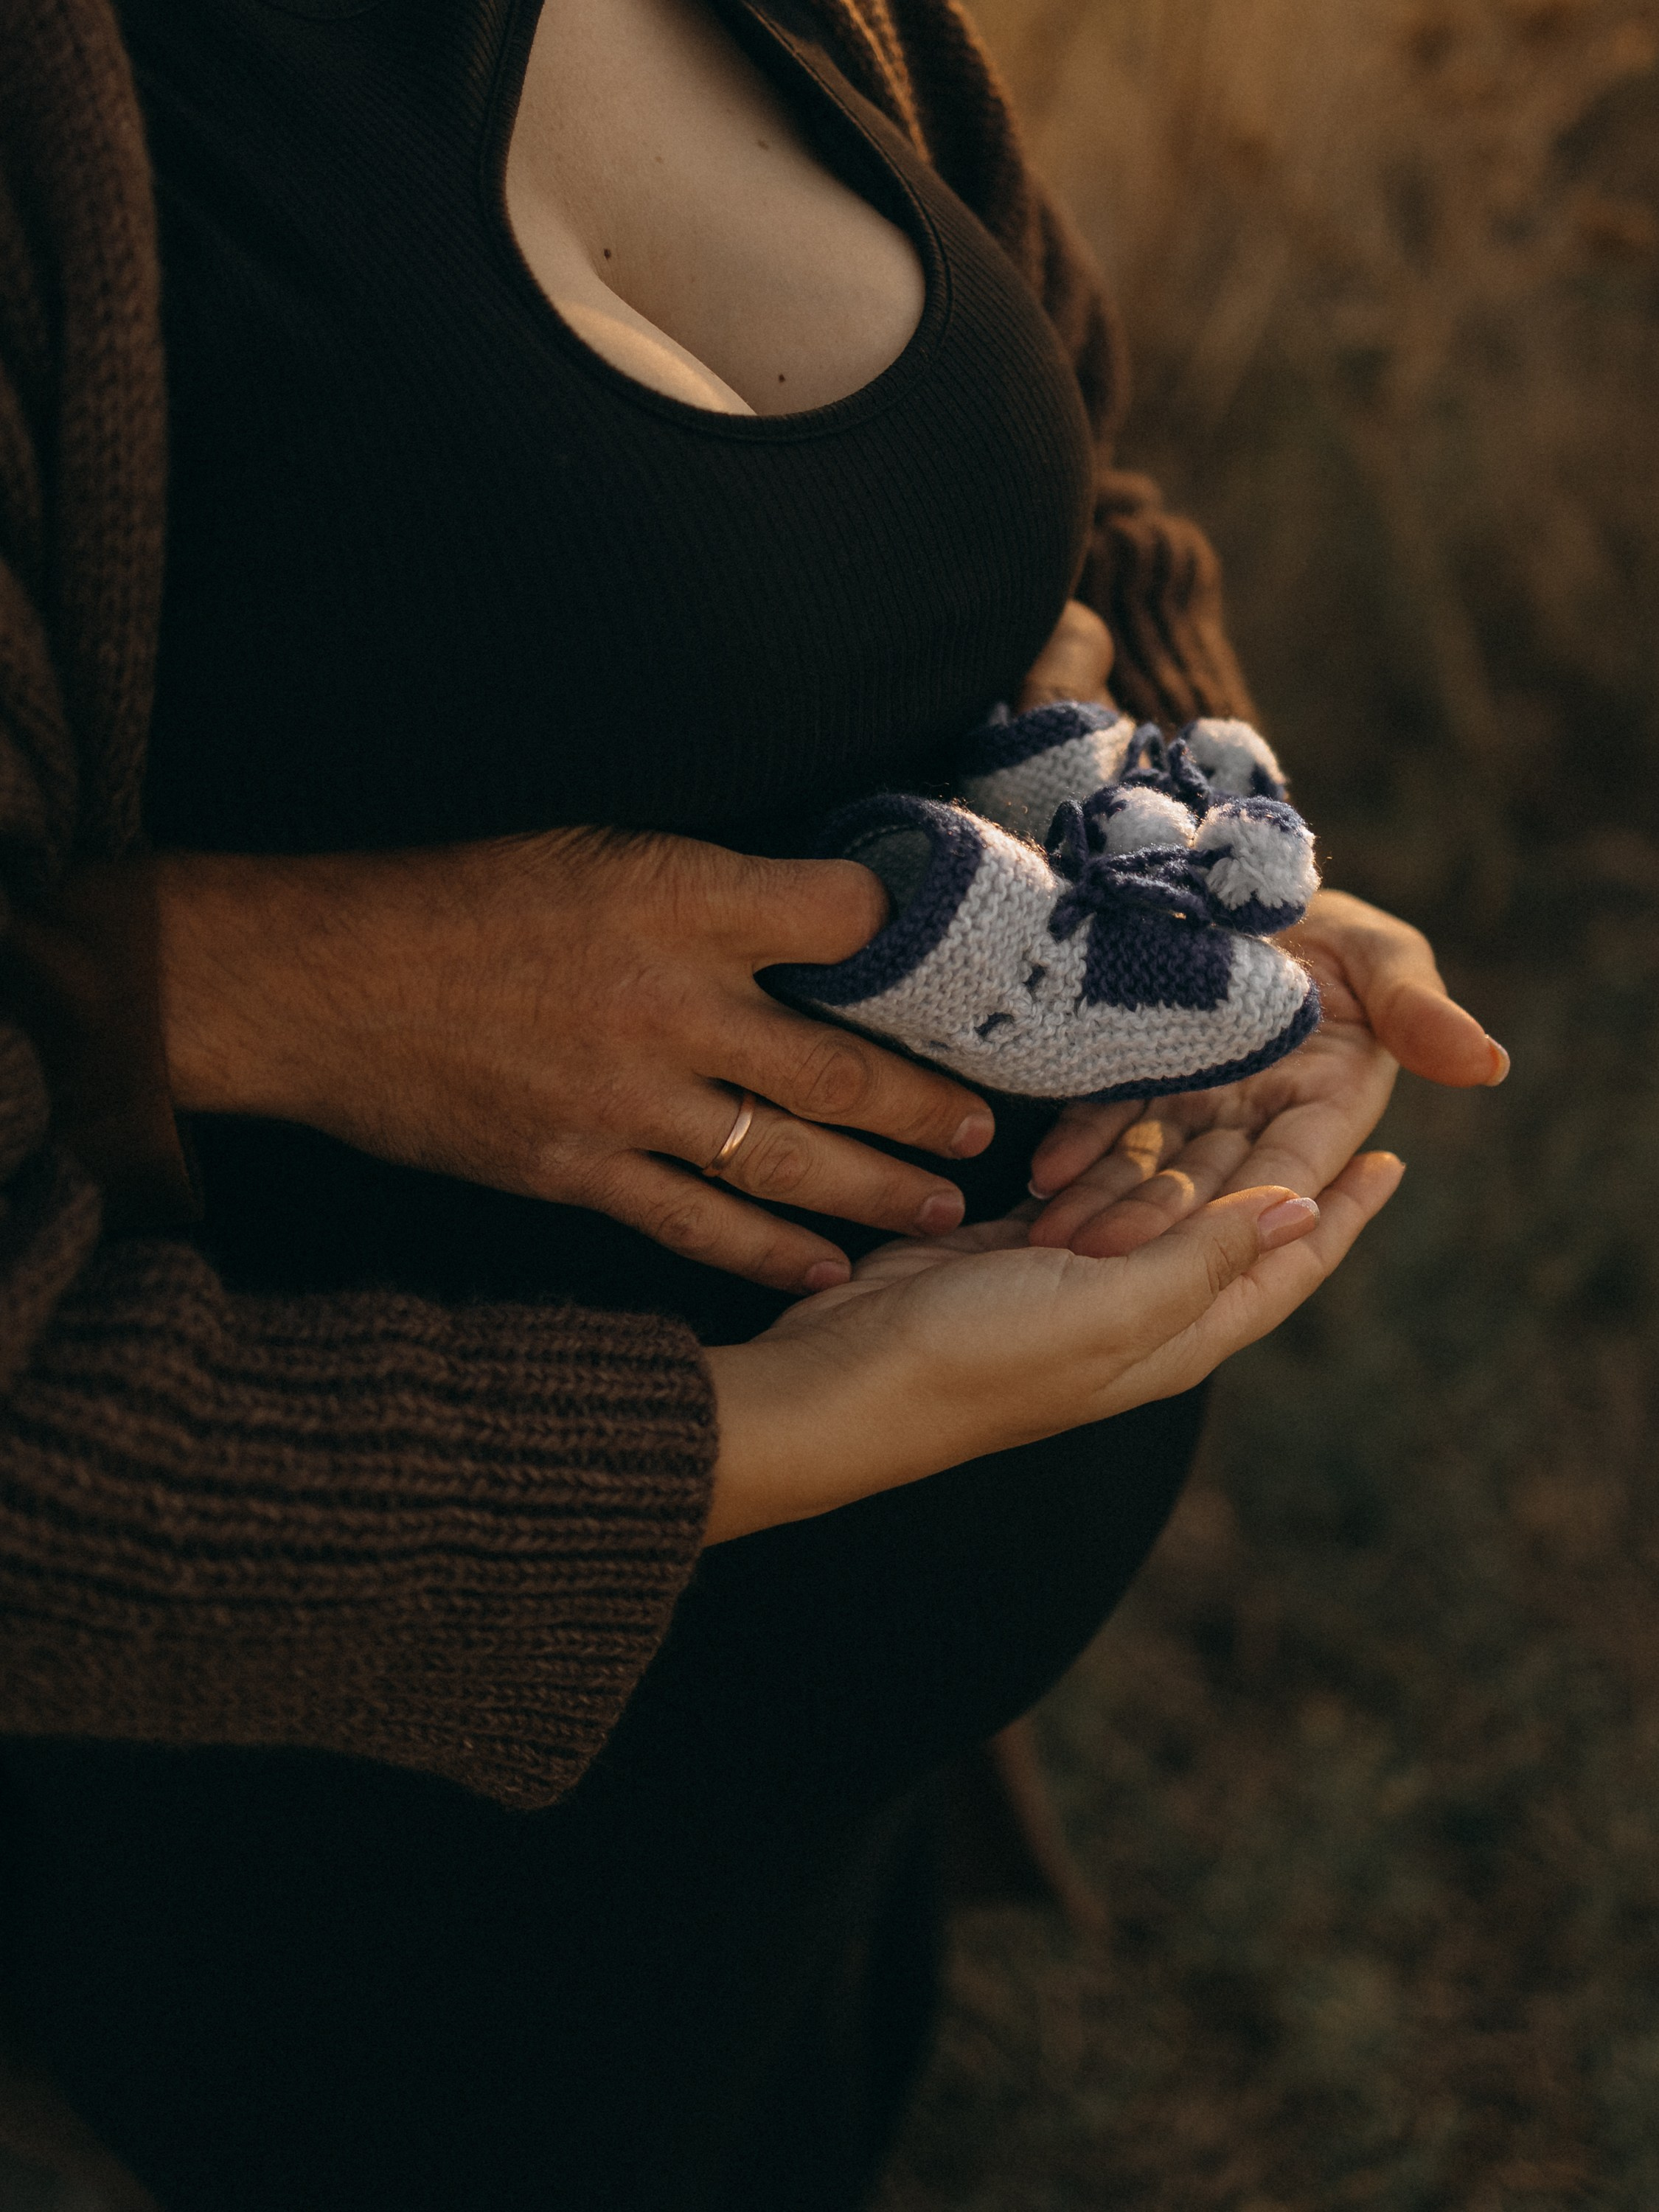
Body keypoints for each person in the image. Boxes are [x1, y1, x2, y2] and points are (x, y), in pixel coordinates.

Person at [0, 0, 1503, 2205]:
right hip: (291, 1953)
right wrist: (795, 1433)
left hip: (793, 1875)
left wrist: (1183, 832)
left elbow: (1071, 480)